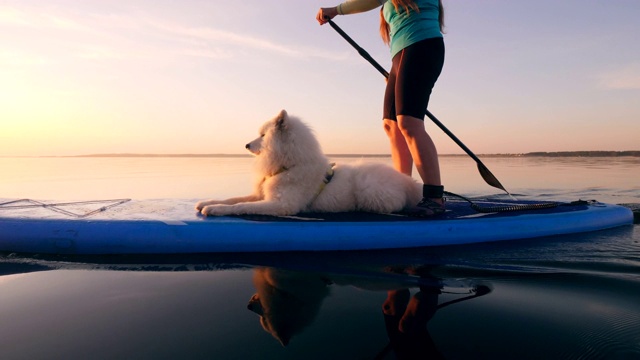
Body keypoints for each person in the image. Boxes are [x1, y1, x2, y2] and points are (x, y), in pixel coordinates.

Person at [316, 0, 446, 216]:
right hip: (402, 56)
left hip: (422, 46)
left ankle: (434, 197)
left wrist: (336, 10)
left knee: (409, 122)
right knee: (391, 125)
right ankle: (402, 191)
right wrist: (397, 75)